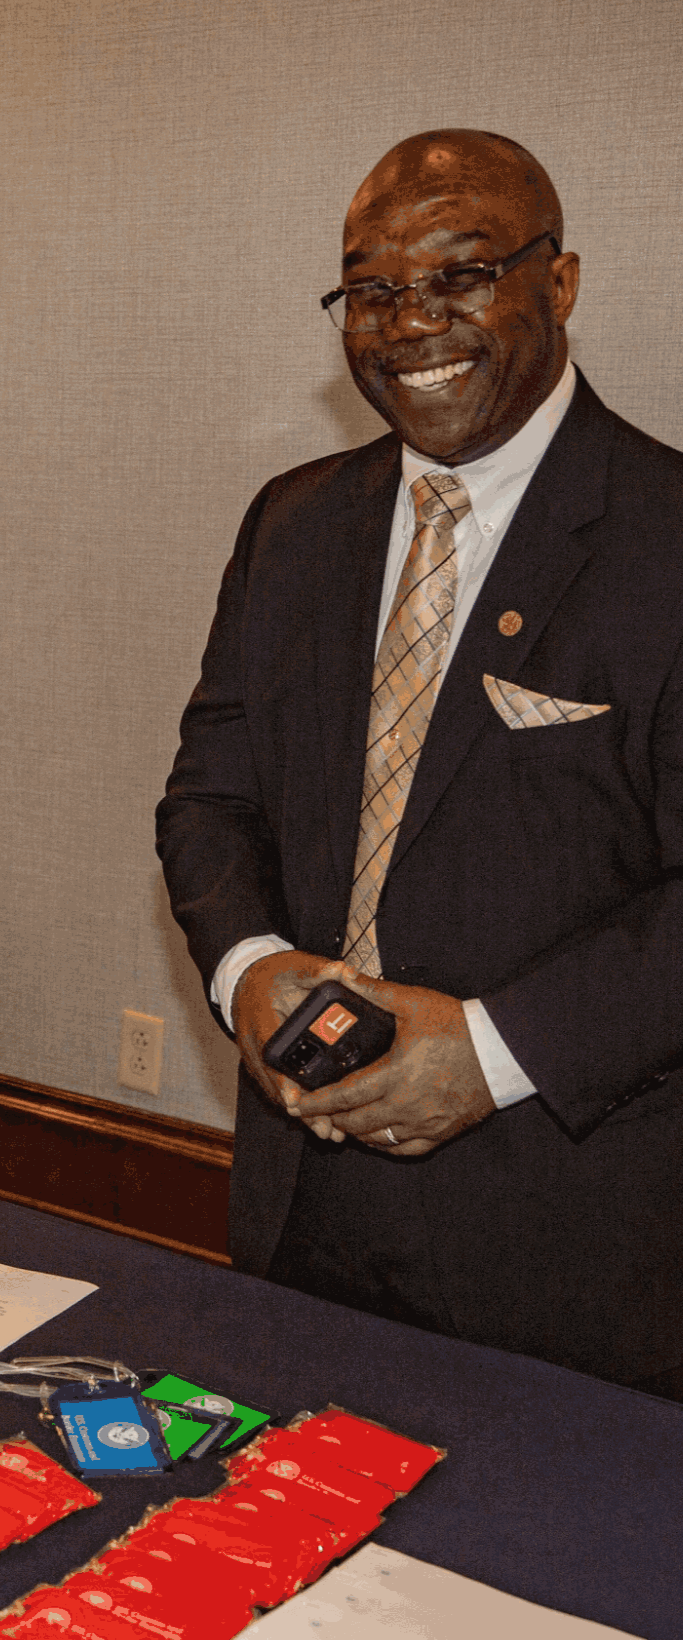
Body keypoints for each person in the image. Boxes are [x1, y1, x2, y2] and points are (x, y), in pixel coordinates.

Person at [156, 129, 683, 1396]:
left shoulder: (665, 541)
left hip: (569, 1245)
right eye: (372, 288)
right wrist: (249, 968)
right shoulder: (291, 522)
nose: (410, 323)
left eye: (461, 274)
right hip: (298, 1208)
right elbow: (208, 793)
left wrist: (493, 1050)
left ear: (556, 283)